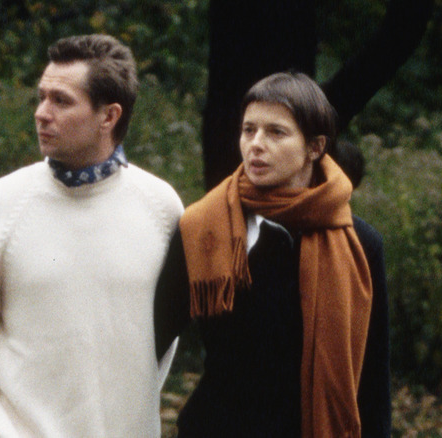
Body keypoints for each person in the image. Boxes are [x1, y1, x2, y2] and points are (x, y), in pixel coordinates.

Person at [0, 34, 184, 437]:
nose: (41, 113)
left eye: (61, 100)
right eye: (42, 96)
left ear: (109, 116)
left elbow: (161, 343)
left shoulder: (162, 209)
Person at [154, 72, 390, 437]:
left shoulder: (360, 244)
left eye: (276, 132)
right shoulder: (205, 228)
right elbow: (150, 339)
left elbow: (373, 381)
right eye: (249, 130)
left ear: (314, 147)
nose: (256, 144)